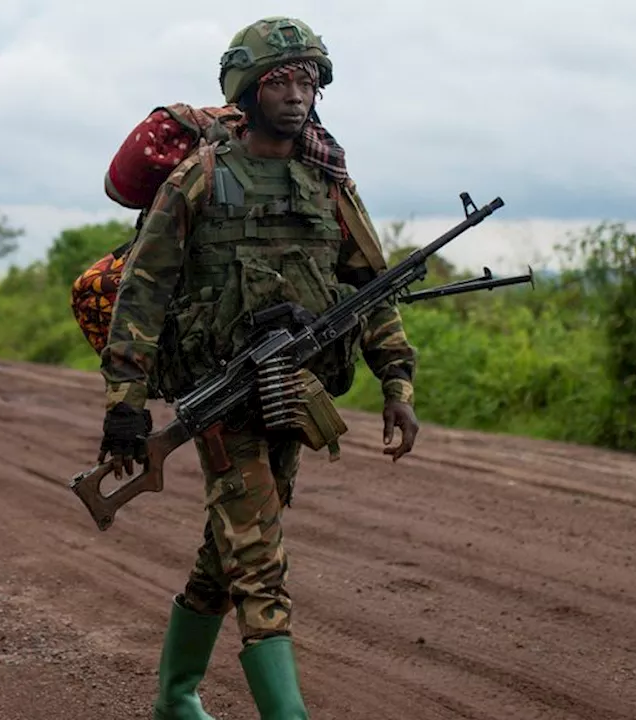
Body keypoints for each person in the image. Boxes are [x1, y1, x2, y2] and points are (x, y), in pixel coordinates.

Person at [97, 17, 421, 720]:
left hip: (292, 398)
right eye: (282, 79)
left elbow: (372, 287)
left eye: (309, 80)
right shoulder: (201, 178)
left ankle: (177, 697)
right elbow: (143, 291)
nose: (299, 94)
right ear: (248, 87)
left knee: (232, 549)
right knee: (261, 565)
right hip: (223, 402)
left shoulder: (326, 181)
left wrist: (396, 380)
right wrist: (126, 401)